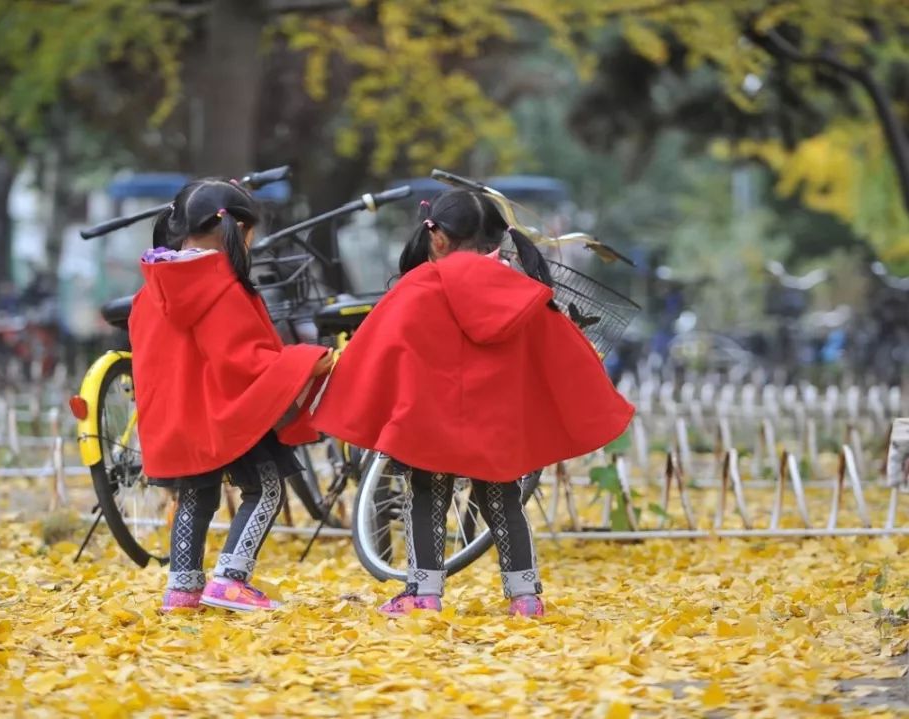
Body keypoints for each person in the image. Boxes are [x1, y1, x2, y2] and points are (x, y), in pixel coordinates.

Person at [312, 189, 634, 617]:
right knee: (503, 501)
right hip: (496, 426)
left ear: (437, 238)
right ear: (498, 241)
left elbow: (382, 348)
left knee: (426, 495)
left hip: (429, 422)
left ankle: (424, 593)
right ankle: (525, 597)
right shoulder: (524, 293)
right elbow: (560, 353)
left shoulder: (418, 286)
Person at [131, 179, 333, 613]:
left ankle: (182, 589)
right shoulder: (222, 288)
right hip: (229, 411)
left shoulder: (150, 291)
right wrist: (305, 362)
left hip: (178, 417)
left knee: (195, 495)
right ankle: (230, 578)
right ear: (239, 230)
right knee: (266, 489)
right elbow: (246, 361)